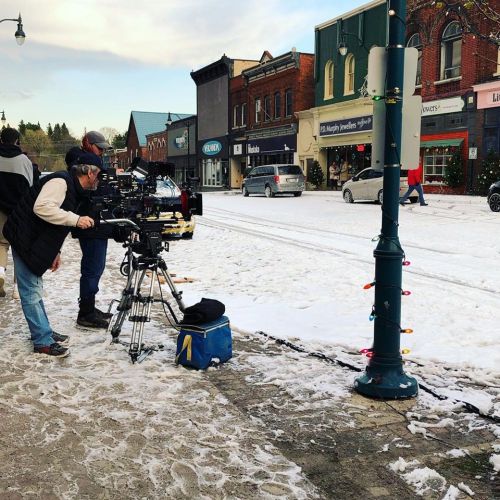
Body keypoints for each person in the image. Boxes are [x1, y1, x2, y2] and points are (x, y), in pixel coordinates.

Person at [2, 152, 103, 357]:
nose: (99, 180)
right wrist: (76, 219)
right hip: (23, 237)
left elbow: (55, 225)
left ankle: (43, 330)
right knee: (30, 290)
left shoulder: (72, 187)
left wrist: (55, 252)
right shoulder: (61, 182)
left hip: (32, 239)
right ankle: (42, 341)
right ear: (90, 173)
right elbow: (43, 208)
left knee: (35, 286)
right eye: (99, 174)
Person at [65, 131, 112, 329]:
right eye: (99, 148)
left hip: (95, 224)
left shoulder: (87, 160)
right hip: (90, 223)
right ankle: (86, 313)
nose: (101, 152)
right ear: (88, 144)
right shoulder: (82, 162)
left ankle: (89, 307)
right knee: (92, 268)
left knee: (95, 267)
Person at [0, 127, 34, 298]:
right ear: (17, 141)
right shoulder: (24, 161)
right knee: (19, 248)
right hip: (19, 211)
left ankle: (0, 273)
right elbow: (30, 187)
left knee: (1, 244)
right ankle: (16, 288)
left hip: (0, 211)